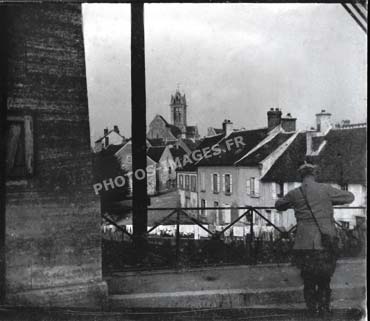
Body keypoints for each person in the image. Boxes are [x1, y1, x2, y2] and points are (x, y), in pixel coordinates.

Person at [275, 161, 354, 315]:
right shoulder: (325, 190)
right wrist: (328, 203)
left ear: (301, 176)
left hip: (303, 244)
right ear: (315, 174)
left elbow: (279, 205)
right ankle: (324, 309)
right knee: (325, 280)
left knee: (308, 280)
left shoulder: (294, 193)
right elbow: (349, 197)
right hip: (325, 242)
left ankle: (312, 310)